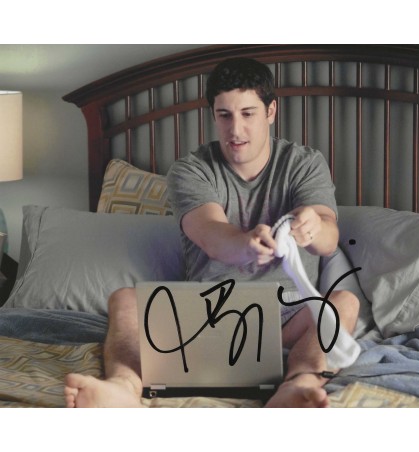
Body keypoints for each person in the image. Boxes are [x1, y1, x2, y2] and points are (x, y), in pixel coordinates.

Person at [64, 57, 360, 408]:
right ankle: (123, 386)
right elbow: (210, 232)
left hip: (287, 318)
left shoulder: (304, 164)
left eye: (248, 114)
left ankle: (299, 384)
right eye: (225, 115)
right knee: (124, 299)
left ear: (270, 111)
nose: (236, 130)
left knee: (345, 302)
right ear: (213, 115)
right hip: (206, 318)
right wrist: (247, 244)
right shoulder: (190, 170)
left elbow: (329, 239)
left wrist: (314, 226)